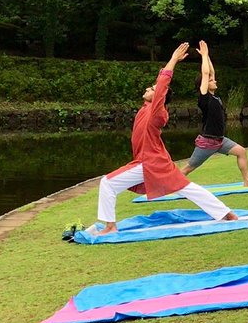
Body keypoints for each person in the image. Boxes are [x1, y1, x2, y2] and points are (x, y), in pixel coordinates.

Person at [98, 43, 237, 233]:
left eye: (152, 89)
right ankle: (226, 213)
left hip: (150, 163)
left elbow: (162, 84)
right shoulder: (146, 109)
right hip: (156, 161)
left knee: (108, 183)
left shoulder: (157, 112)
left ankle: (110, 226)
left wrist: (173, 60)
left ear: (159, 98)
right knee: (188, 188)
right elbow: (159, 84)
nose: (149, 88)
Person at [181, 40, 248, 186]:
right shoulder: (204, 98)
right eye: (210, 80)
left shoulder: (215, 97)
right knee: (187, 168)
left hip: (220, 140)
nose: (214, 80)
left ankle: (247, 181)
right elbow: (205, 73)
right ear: (203, 85)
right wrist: (203, 56)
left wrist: (208, 56)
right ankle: (168, 186)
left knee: (241, 152)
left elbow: (211, 71)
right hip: (207, 142)